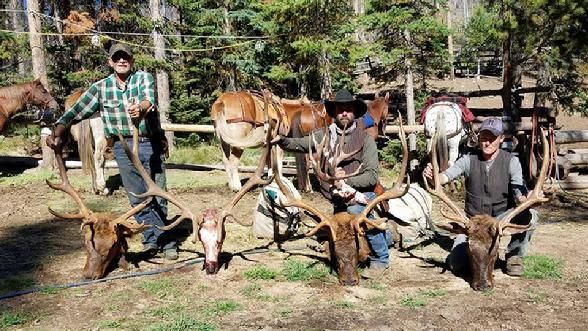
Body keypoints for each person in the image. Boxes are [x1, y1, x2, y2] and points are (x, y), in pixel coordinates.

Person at [46, 43, 178, 260]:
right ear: (110, 62)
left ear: (131, 60)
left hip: (148, 144)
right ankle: (151, 240)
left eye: (125, 57)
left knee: (158, 194)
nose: (121, 61)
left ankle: (166, 240)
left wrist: (141, 108)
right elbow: (76, 111)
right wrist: (59, 129)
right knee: (137, 196)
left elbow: (147, 99)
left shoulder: (143, 78)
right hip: (121, 146)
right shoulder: (100, 88)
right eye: (117, 58)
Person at [273, 89, 392, 278]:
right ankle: (382, 239)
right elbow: (301, 143)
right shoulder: (324, 136)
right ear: (334, 113)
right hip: (339, 199)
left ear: (354, 112)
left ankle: (381, 259)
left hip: (364, 196)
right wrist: (282, 140)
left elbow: (371, 176)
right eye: (340, 109)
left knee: (356, 214)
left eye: (348, 109)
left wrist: (346, 180)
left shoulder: (366, 139)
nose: (344, 113)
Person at [423, 117, 539, 276]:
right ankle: (485, 252)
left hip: (499, 219)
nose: (487, 143)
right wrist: (434, 177)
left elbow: (518, 193)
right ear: (479, 138)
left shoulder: (511, 161)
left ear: (501, 139)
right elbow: (447, 176)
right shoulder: (468, 160)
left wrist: (526, 199)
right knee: (456, 265)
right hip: (473, 221)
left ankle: (514, 255)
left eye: (492, 138)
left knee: (530, 215)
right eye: (484, 138)